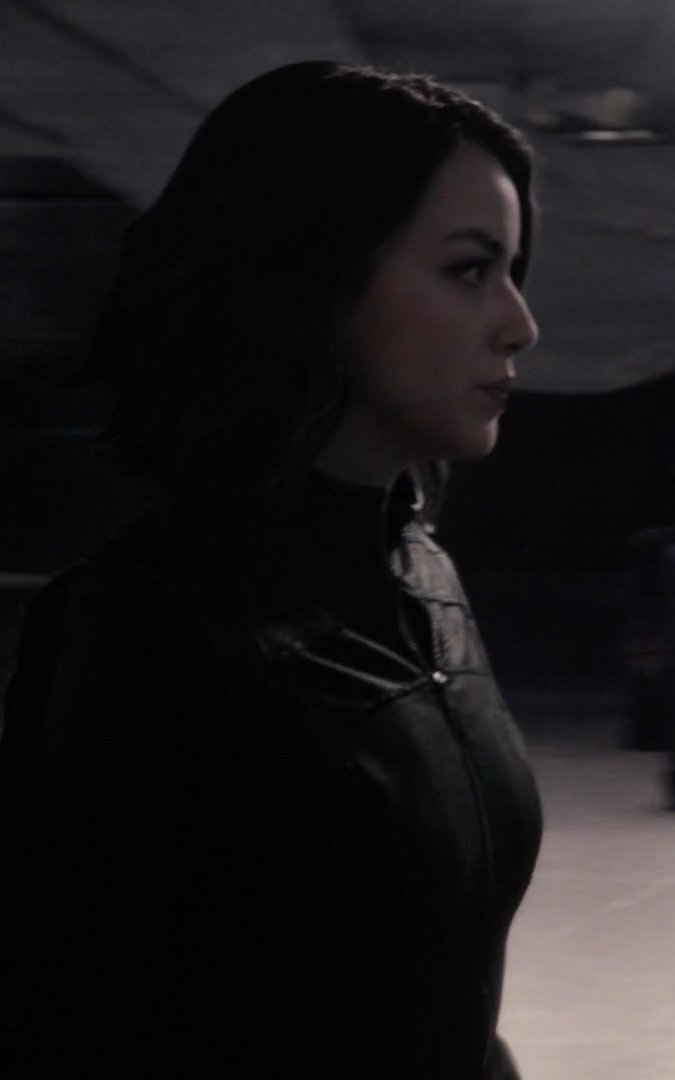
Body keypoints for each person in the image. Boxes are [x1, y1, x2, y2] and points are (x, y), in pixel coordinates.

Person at [0, 62, 544, 1078]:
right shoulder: (150, 631)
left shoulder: (425, 576)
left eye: (512, 271)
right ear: (315, 275)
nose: (520, 321)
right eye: (471, 271)